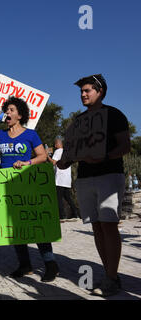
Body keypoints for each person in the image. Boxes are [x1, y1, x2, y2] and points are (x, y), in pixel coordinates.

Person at [57, 74, 131, 297]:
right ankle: (110, 275)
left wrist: (104, 156)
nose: (83, 94)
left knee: (109, 225)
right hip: (85, 177)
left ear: (101, 92)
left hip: (109, 175)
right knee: (97, 227)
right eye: (81, 91)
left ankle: (111, 277)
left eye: (87, 90)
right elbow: (70, 154)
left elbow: (125, 146)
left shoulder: (114, 115)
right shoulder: (78, 122)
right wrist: (64, 160)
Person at [0, 96, 60, 282]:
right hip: (7, 187)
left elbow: (43, 156)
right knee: (16, 227)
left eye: (11, 110)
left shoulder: (30, 134)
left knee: (34, 224)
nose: (7, 113)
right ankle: (25, 265)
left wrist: (26, 162)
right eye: (6, 110)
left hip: (27, 184)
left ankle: (50, 264)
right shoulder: (0, 135)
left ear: (20, 115)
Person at [47, 138, 79, 221]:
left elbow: (53, 163)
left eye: (55, 144)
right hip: (67, 179)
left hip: (59, 179)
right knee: (68, 197)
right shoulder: (66, 152)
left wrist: (47, 155)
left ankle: (62, 216)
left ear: (58, 144)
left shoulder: (58, 151)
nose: (54, 146)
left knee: (58, 198)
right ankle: (75, 214)